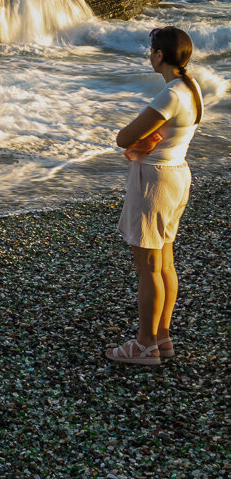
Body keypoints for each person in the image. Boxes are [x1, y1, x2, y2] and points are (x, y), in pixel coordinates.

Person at [106, 26, 203, 365]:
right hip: (177, 175)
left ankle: (144, 345)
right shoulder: (193, 89)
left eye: (151, 50)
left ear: (160, 56)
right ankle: (162, 337)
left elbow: (124, 136)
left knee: (148, 267)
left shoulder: (172, 93)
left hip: (155, 182)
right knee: (164, 263)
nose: (149, 55)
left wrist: (132, 139)